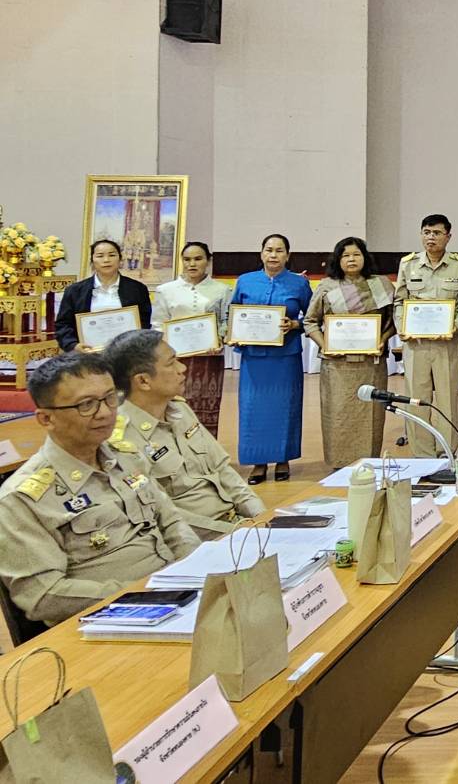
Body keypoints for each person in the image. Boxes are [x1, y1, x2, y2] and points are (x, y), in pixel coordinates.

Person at [0, 353, 198, 626]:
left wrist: (193, 572)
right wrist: (145, 593)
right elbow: (43, 596)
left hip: (177, 598)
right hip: (111, 620)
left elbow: (172, 522)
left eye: (109, 398)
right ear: (46, 419)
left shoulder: (126, 457)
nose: (105, 412)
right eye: (86, 405)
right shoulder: (20, 498)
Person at [104, 330, 265, 537]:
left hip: (237, 526)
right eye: (172, 363)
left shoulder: (179, 410)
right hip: (196, 539)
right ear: (143, 381)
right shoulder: (121, 440)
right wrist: (236, 533)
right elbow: (162, 514)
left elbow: (223, 470)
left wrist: (261, 516)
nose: (183, 368)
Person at [304, 237, 396, 468]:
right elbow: (310, 321)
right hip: (337, 366)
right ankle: (339, 463)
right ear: (338, 259)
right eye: (345, 255)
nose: (351, 259)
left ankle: (369, 462)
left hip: (371, 363)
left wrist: (383, 340)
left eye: (356, 254)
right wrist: (325, 344)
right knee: (338, 414)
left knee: (372, 414)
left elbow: (395, 320)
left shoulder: (381, 284)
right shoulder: (327, 286)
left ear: (365, 257)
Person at [230, 233, 311, 484]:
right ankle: (258, 463)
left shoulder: (299, 284)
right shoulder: (245, 281)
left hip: (285, 358)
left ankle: (283, 459)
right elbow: (233, 313)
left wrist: (295, 323)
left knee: (285, 408)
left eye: (279, 250)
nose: (273, 255)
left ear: (288, 255)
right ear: (261, 253)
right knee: (253, 410)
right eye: (268, 250)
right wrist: (233, 331)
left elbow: (312, 319)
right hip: (254, 359)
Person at [393, 215, 458, 457]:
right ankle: (422, 455)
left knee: (446, 400)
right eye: (426, 232)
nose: (431, 237)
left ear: (448, 236)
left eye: (436, 233)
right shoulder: (409, 264)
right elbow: (400, 301)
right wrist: (402, 325)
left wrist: (454, 325)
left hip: (447, 344)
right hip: (416, 344)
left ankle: (446, 453)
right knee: (416, 401)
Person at [151, 242, 230, 434]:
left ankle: (206, 458)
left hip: (209, 360)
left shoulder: (222, 290)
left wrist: (220, 339)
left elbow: (225, 322)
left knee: (207, 409)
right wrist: (167, 349)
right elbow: (158, 324)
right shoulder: (165, 290)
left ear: (208, 261)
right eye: (187, 259)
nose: (192, 264)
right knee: (175, 408)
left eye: (198, 259)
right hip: (174, 360)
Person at [55, 239, 153, 351]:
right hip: (88, 356)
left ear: (120, 258)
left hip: (128, 354)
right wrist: (73, 345)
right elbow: (63, 325)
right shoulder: (75, 291)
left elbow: (144, 323)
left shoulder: (137, 289)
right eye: (100, 256)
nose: (106, 260)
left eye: (112, 255)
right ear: (92, 260)